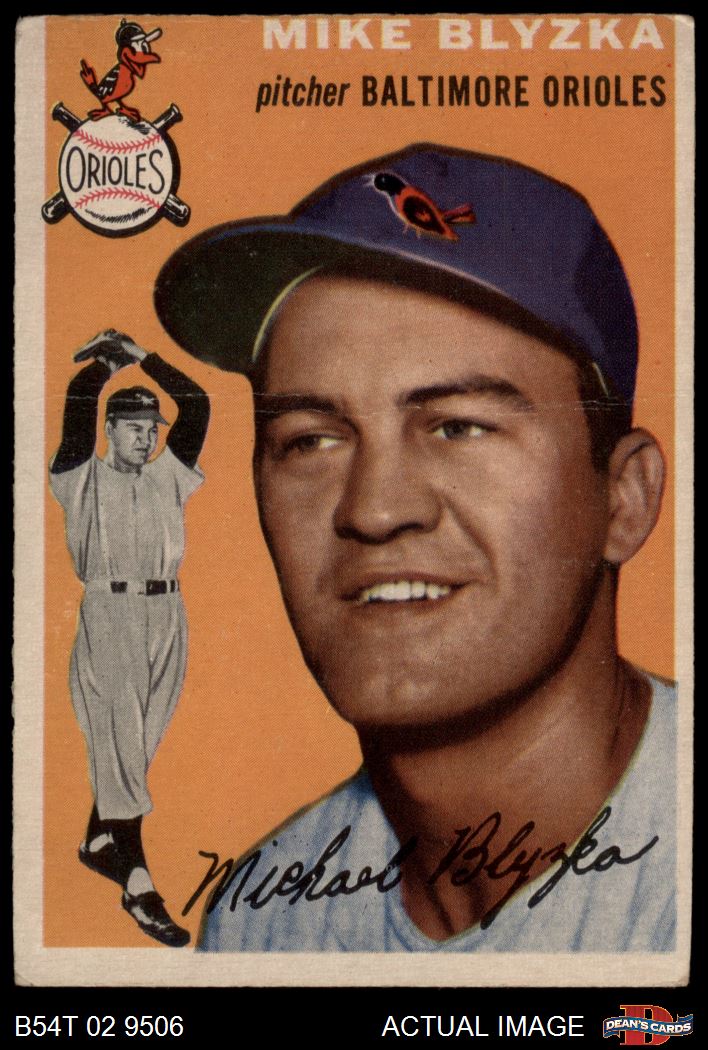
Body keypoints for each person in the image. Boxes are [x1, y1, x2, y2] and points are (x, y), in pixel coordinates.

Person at [155, 144, 675, 952]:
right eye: (311, 440)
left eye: (458, 427)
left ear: (624, 498)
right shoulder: (262, 922)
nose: (374, 509)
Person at [49, 330, 209, 947]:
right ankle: (137, 885)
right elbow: (76, 405)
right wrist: (104, 367)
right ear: (111, 429)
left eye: (152, 429)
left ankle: (99, 840)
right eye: (136, 428)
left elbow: (196, 404)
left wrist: (143, 358)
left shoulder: (169, 474)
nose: (148, 438)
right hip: (110, 615)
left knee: (136, 744)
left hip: (168, 616)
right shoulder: (79, 477)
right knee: (119, 739)